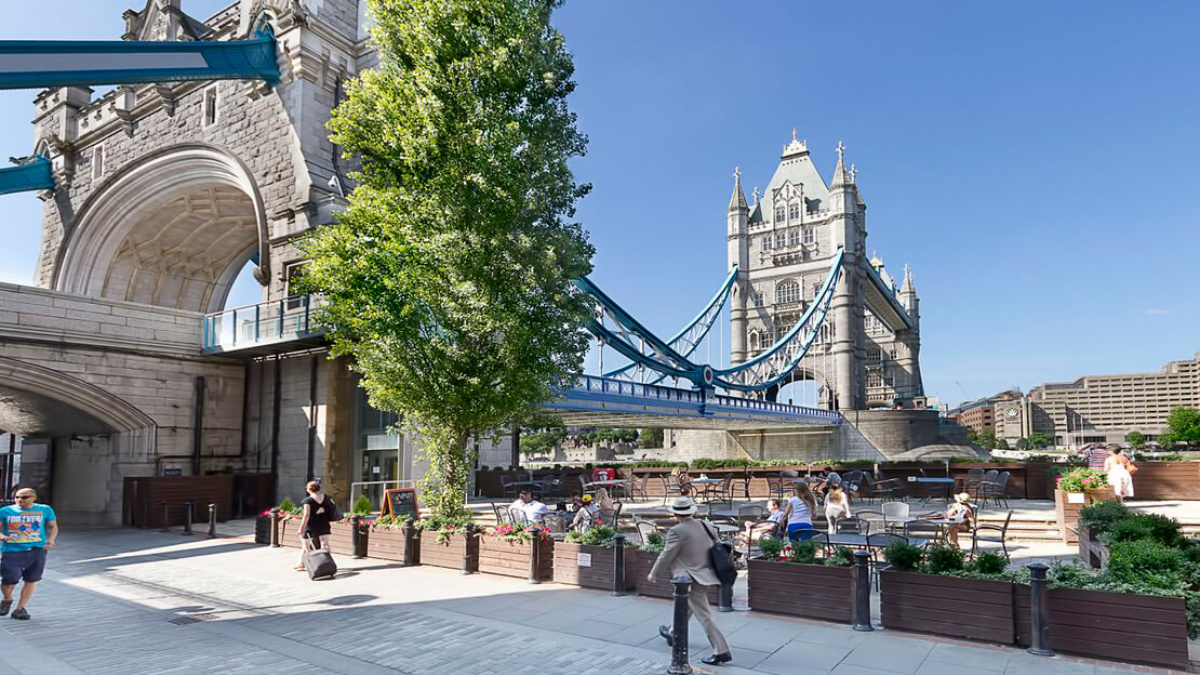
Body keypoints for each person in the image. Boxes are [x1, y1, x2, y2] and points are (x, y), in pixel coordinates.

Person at [648, 497, 732, 666]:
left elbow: (667, 554)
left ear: (675, 514)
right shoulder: (706, 525)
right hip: (705, 574)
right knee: (688, 606)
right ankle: (673, 632)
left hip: (688, 577)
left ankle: (721, 650)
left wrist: (654, 573)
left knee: (704, 614)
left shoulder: (677, 531)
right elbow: (716, 545)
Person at [0, 488, 58, 620]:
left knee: (31, 579)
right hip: (12, 551)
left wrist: (51, 540)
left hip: (36, 551)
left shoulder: (45, 510)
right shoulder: (5, 511)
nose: (20, 500)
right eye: (17, 497)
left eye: (25, 497)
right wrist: (2, 536)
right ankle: (7, 598)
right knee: (9, 579)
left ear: (34, 497)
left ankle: (20, 609)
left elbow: (53, 526)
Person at [294, 481, 337, 571]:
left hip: (311, 524)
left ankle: (310, 564)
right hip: (324, 523)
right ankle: (328, 563)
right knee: (325, 544)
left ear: (309, 489)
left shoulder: (308, 500)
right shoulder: (326, 498)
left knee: (306, 545)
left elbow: (306, 515)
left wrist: (301, 528)